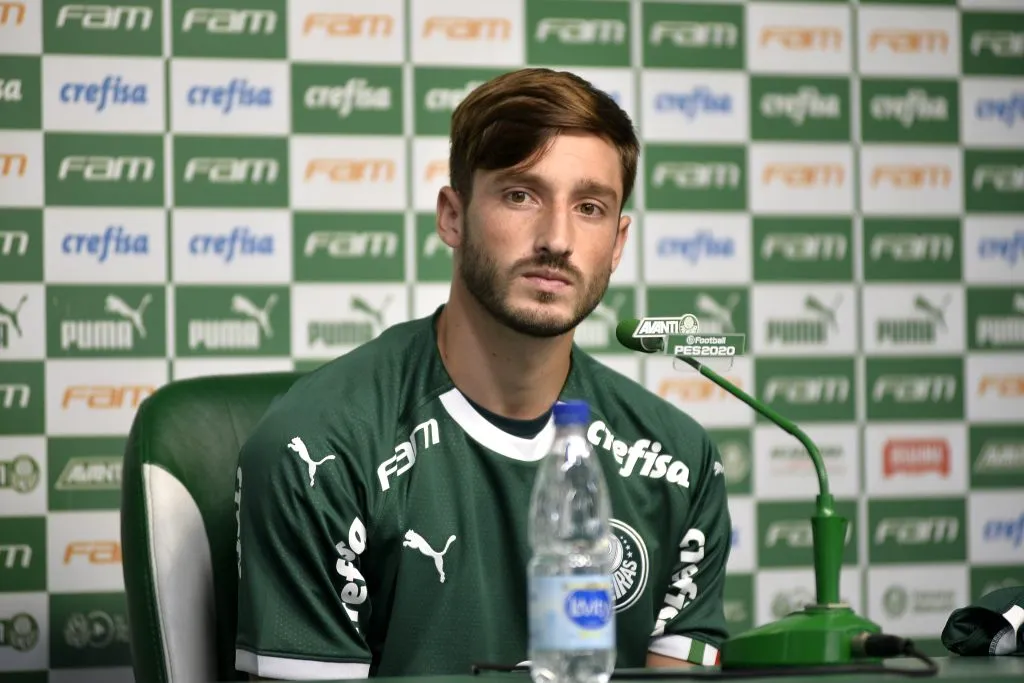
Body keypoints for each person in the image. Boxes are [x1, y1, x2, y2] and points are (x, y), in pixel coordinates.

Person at [234, 67, 732, 680]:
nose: (557, 239)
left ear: (618, 241)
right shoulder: (317, 450)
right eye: (521, 195)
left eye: (590, 207)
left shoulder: (680, 461)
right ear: (453, 216)